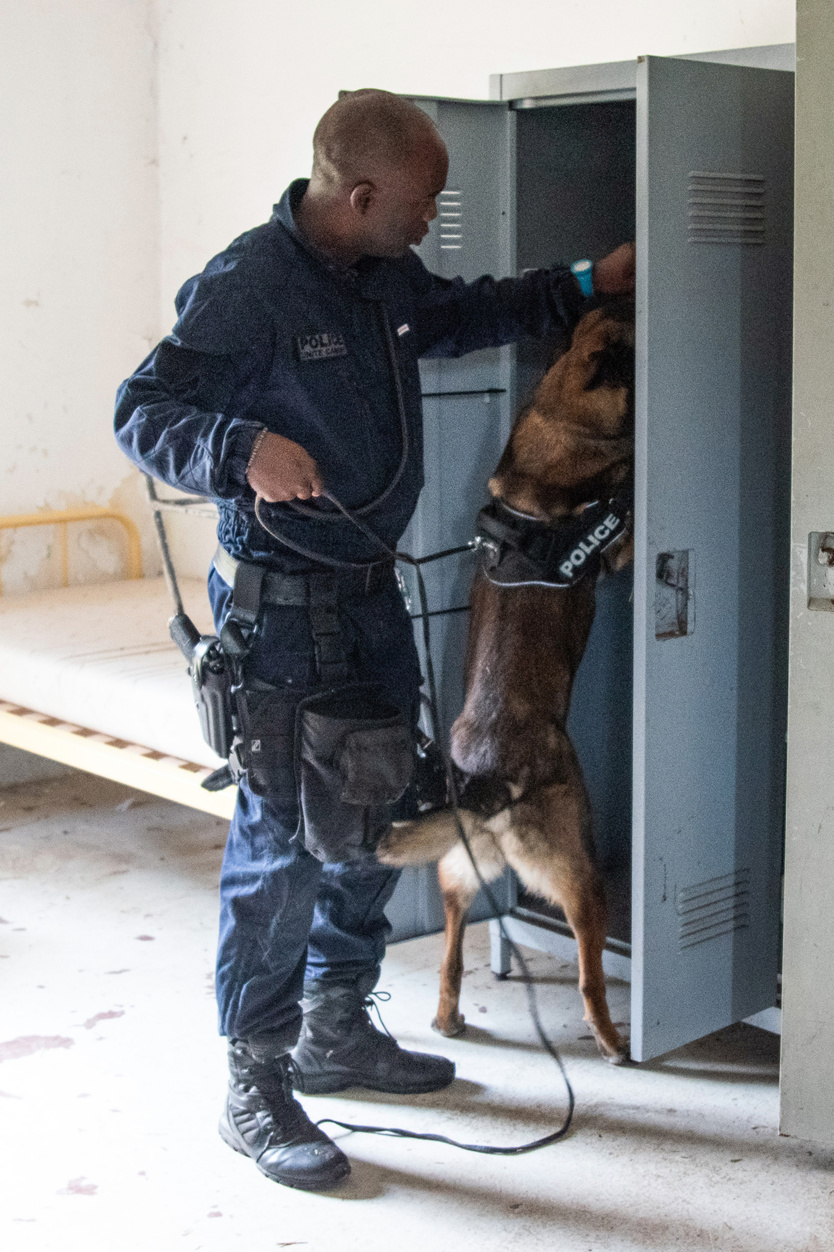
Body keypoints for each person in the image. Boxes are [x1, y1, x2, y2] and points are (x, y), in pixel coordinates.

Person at [114, 88, 635, 1192]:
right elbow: (142, 408)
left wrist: (587, 284)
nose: (435, 216)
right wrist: (240, 445)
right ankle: (254, 1080)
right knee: (283, 846)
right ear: (359, 195)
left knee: (387, 807)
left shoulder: (384, 278)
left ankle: (337, 1027)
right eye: (424, 199)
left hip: (367, 603)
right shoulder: (250, 286)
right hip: (283, 620)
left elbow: (463, 313)